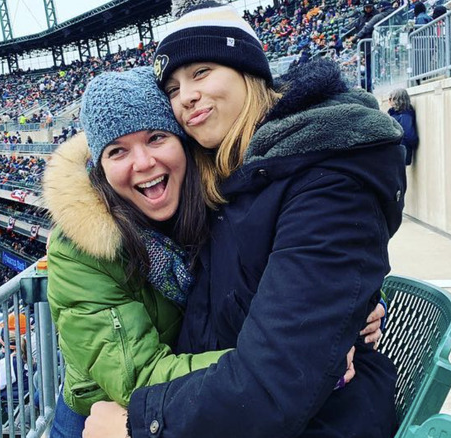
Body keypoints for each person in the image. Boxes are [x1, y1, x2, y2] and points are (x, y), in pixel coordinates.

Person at [84, 1, 405, 438]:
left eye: (201, 73)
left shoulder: (326, 178)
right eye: (173, 89)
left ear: (248, 70)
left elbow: (276, 381)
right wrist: (353, 305)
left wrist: (140, 425)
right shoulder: (229, 174)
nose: (186, 97)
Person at [42, 68, 368, 438]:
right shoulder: (79, 249)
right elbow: (138, 377)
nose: (143, 163)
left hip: (189, 405)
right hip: (103, 415)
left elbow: (302, 252)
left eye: (156, 138)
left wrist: (347, 303)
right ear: (100, 169)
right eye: (118, 151)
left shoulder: (216, 199)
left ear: (183, 144)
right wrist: (291, 360)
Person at [388, 88, 419, 165]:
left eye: (390, 98)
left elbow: (410, 136)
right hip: (395, 152)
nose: (388, 101)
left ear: (396, 100)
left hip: (400, 152)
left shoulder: (404, 116)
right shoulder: (395, 114)